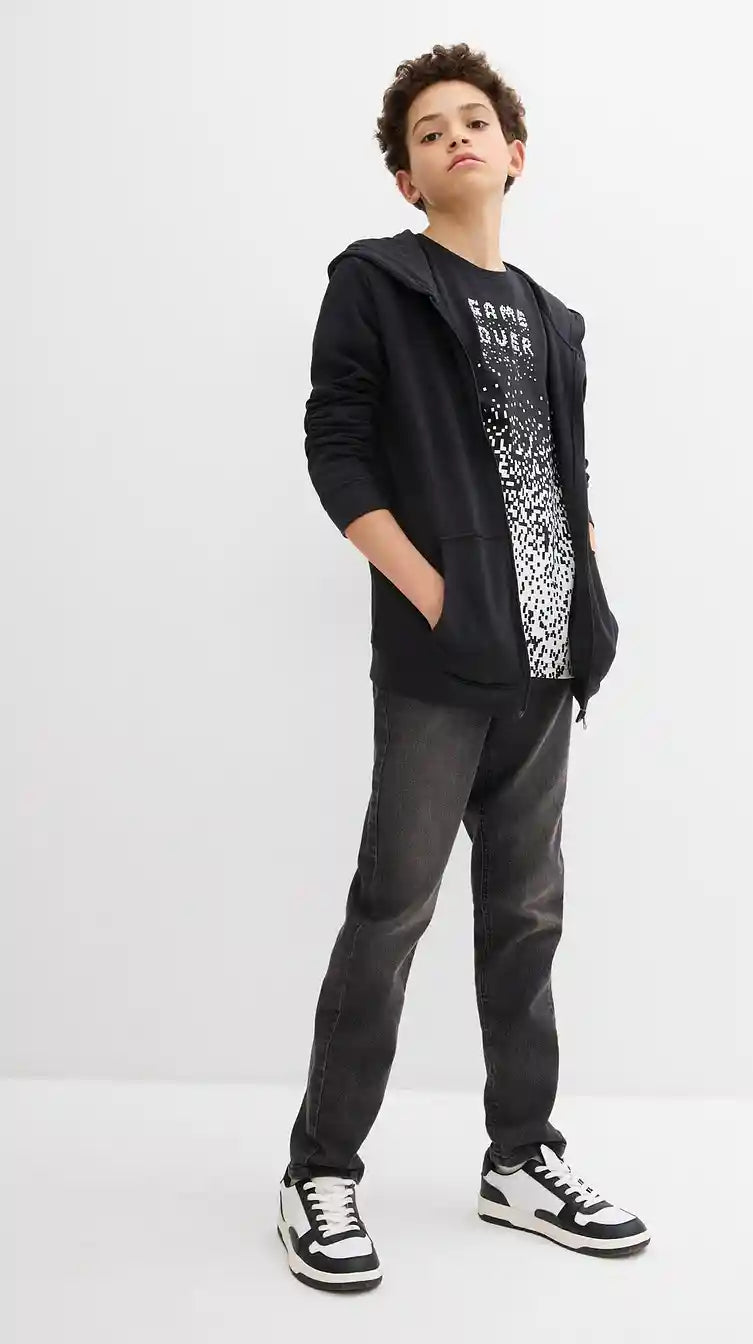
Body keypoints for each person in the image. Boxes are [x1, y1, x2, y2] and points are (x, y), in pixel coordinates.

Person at [276, 42, 649, 1293]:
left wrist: (583, 597)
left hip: (547, 665)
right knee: (393, 910)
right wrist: (435, 596)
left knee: (527, 915)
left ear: (515, 152)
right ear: (407, 177)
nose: (455, 139)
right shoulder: (379, 282)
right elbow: (336, 452)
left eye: (474, 121)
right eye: (428, 132)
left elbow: (567, 479)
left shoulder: (554, 318)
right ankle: (320, 1170)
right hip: (442, 662)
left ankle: (521, 1160)